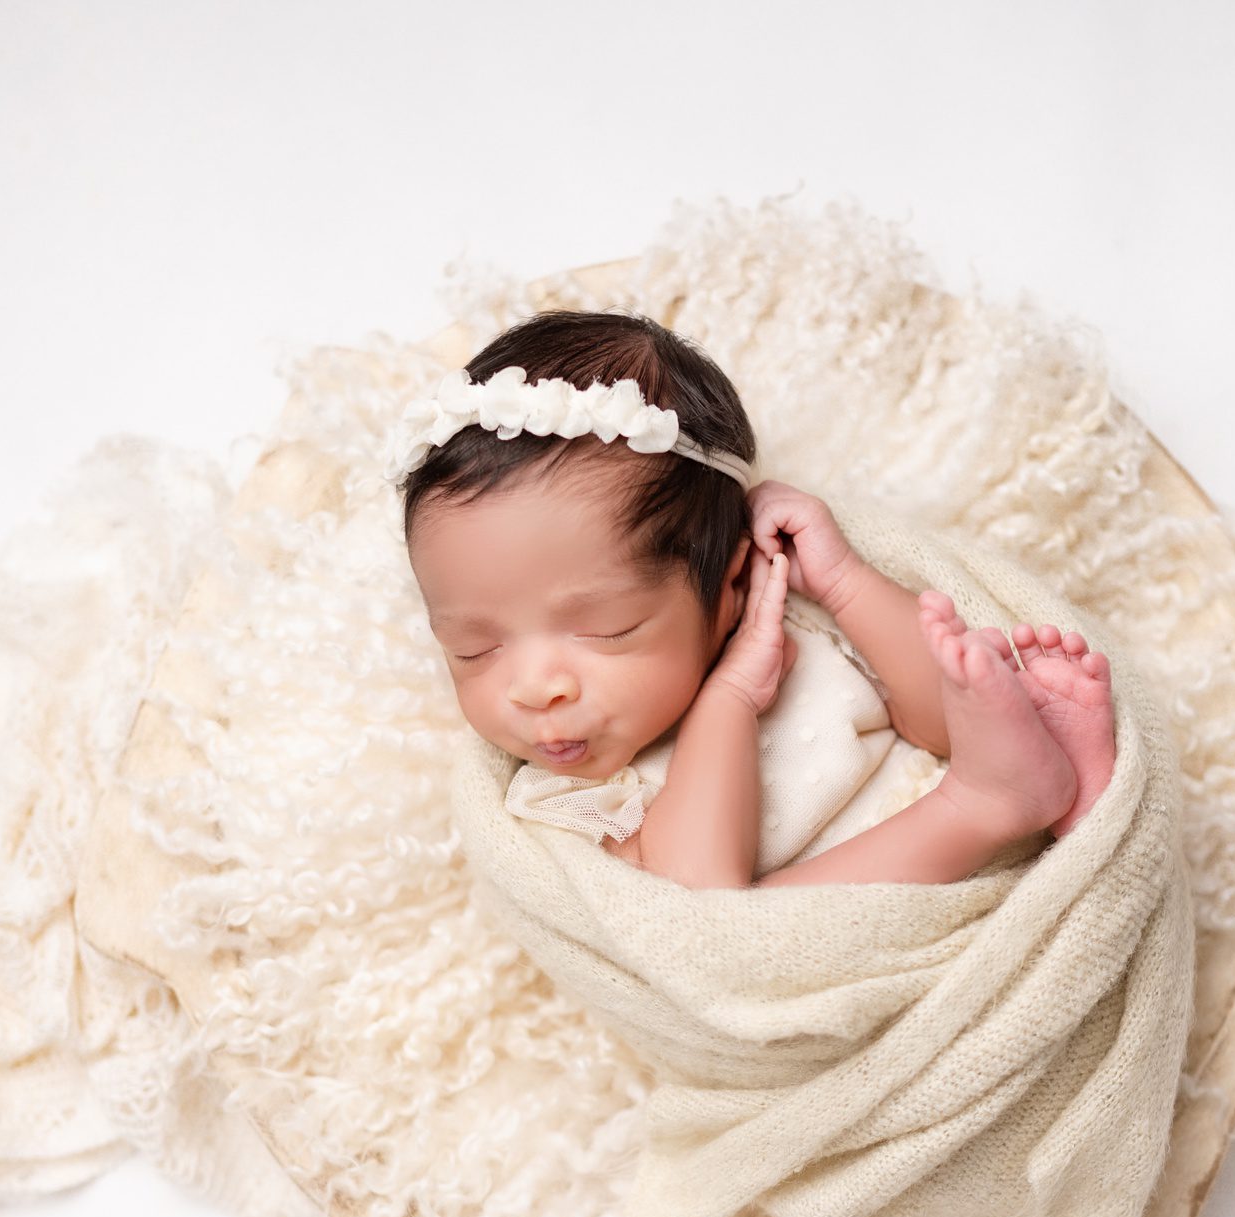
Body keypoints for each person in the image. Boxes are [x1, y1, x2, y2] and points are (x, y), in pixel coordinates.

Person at [393, 309, 1118, 889]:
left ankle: (1055, 794)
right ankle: (989, 808)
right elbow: (698, 903)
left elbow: (942, 728)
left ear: (732, 585)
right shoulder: (570, 796)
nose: (532, 688)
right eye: (472, 648)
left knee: (981, 708)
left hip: (994, 859)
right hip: (848, 961)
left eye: (607, 629)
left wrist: (844, 582)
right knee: (754, 923)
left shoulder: (796, 622)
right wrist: (730, 699)